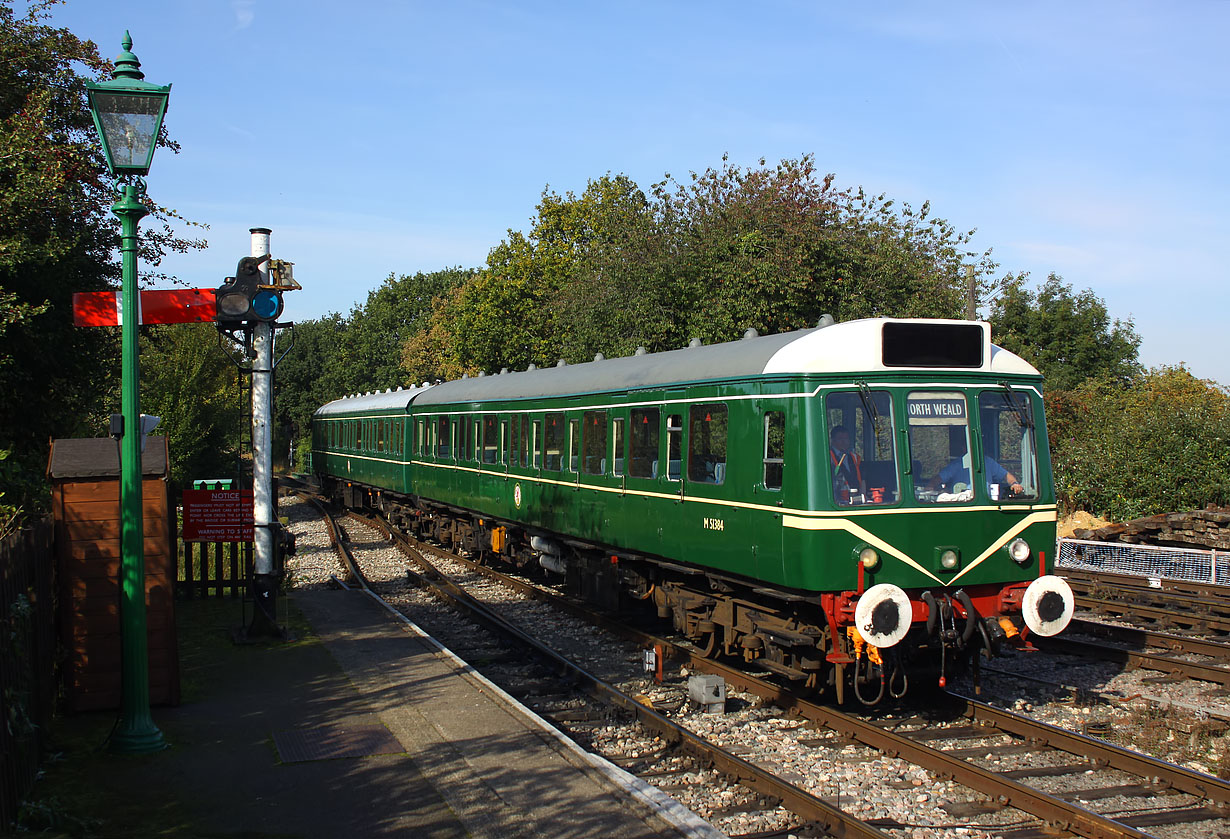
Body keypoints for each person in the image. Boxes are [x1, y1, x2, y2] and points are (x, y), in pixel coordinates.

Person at [829, 426, 865, 502]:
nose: (844, 442)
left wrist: (863, 494)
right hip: (837, 500)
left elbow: (862, 478)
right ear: (833, 440)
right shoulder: (828, 457)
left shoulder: (855, 457)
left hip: (855, 498)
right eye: (840, 439)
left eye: (846, 439)